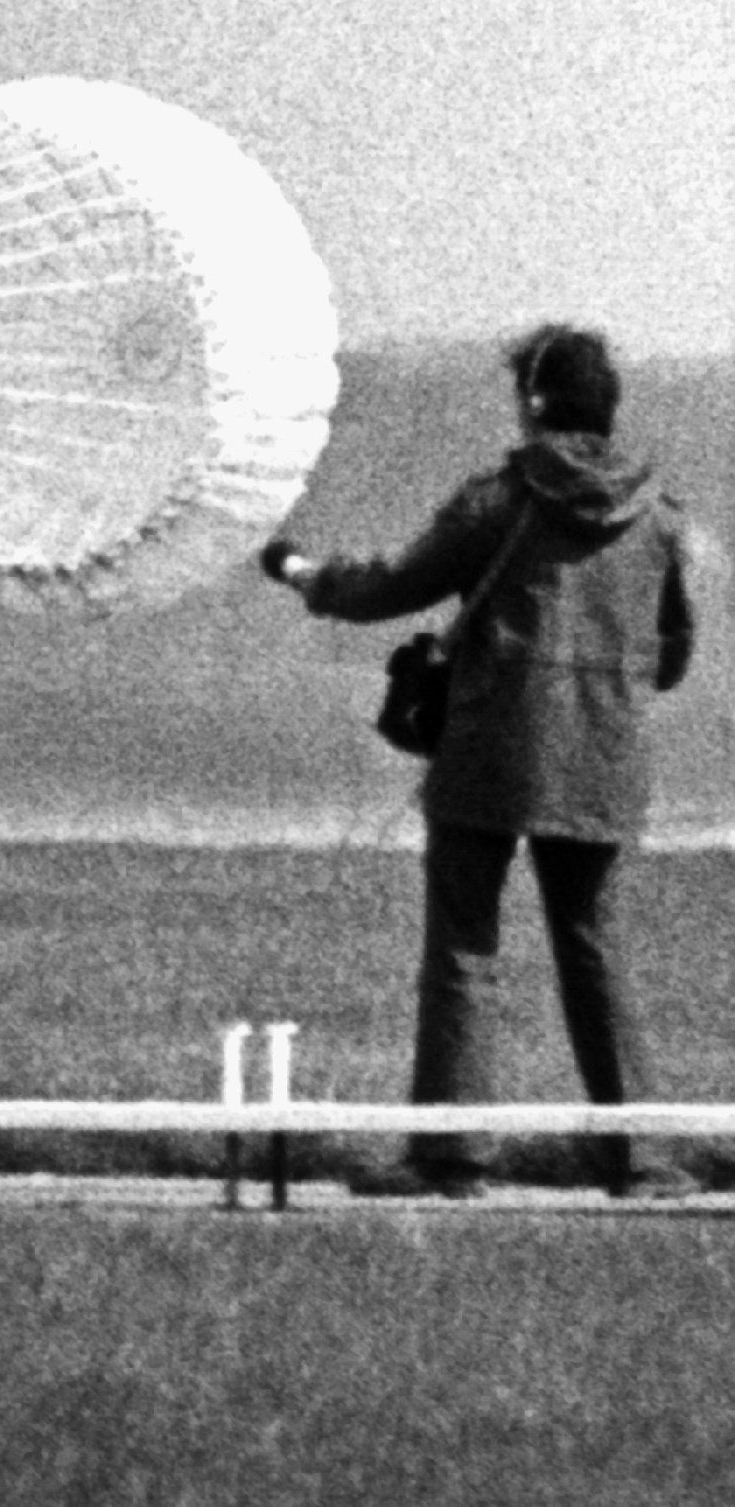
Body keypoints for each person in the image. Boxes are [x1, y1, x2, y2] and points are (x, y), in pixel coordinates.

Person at [264, 321, 706, 1200]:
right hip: (602, 763)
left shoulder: (498, 499)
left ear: (532, 403)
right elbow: (672, 656)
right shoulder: (661, 518)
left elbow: (387, 586)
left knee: (464, 946)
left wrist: (298, 568)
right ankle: (642, 1161)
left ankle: (448, 1157)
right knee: (594, 949)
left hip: (486, 756)